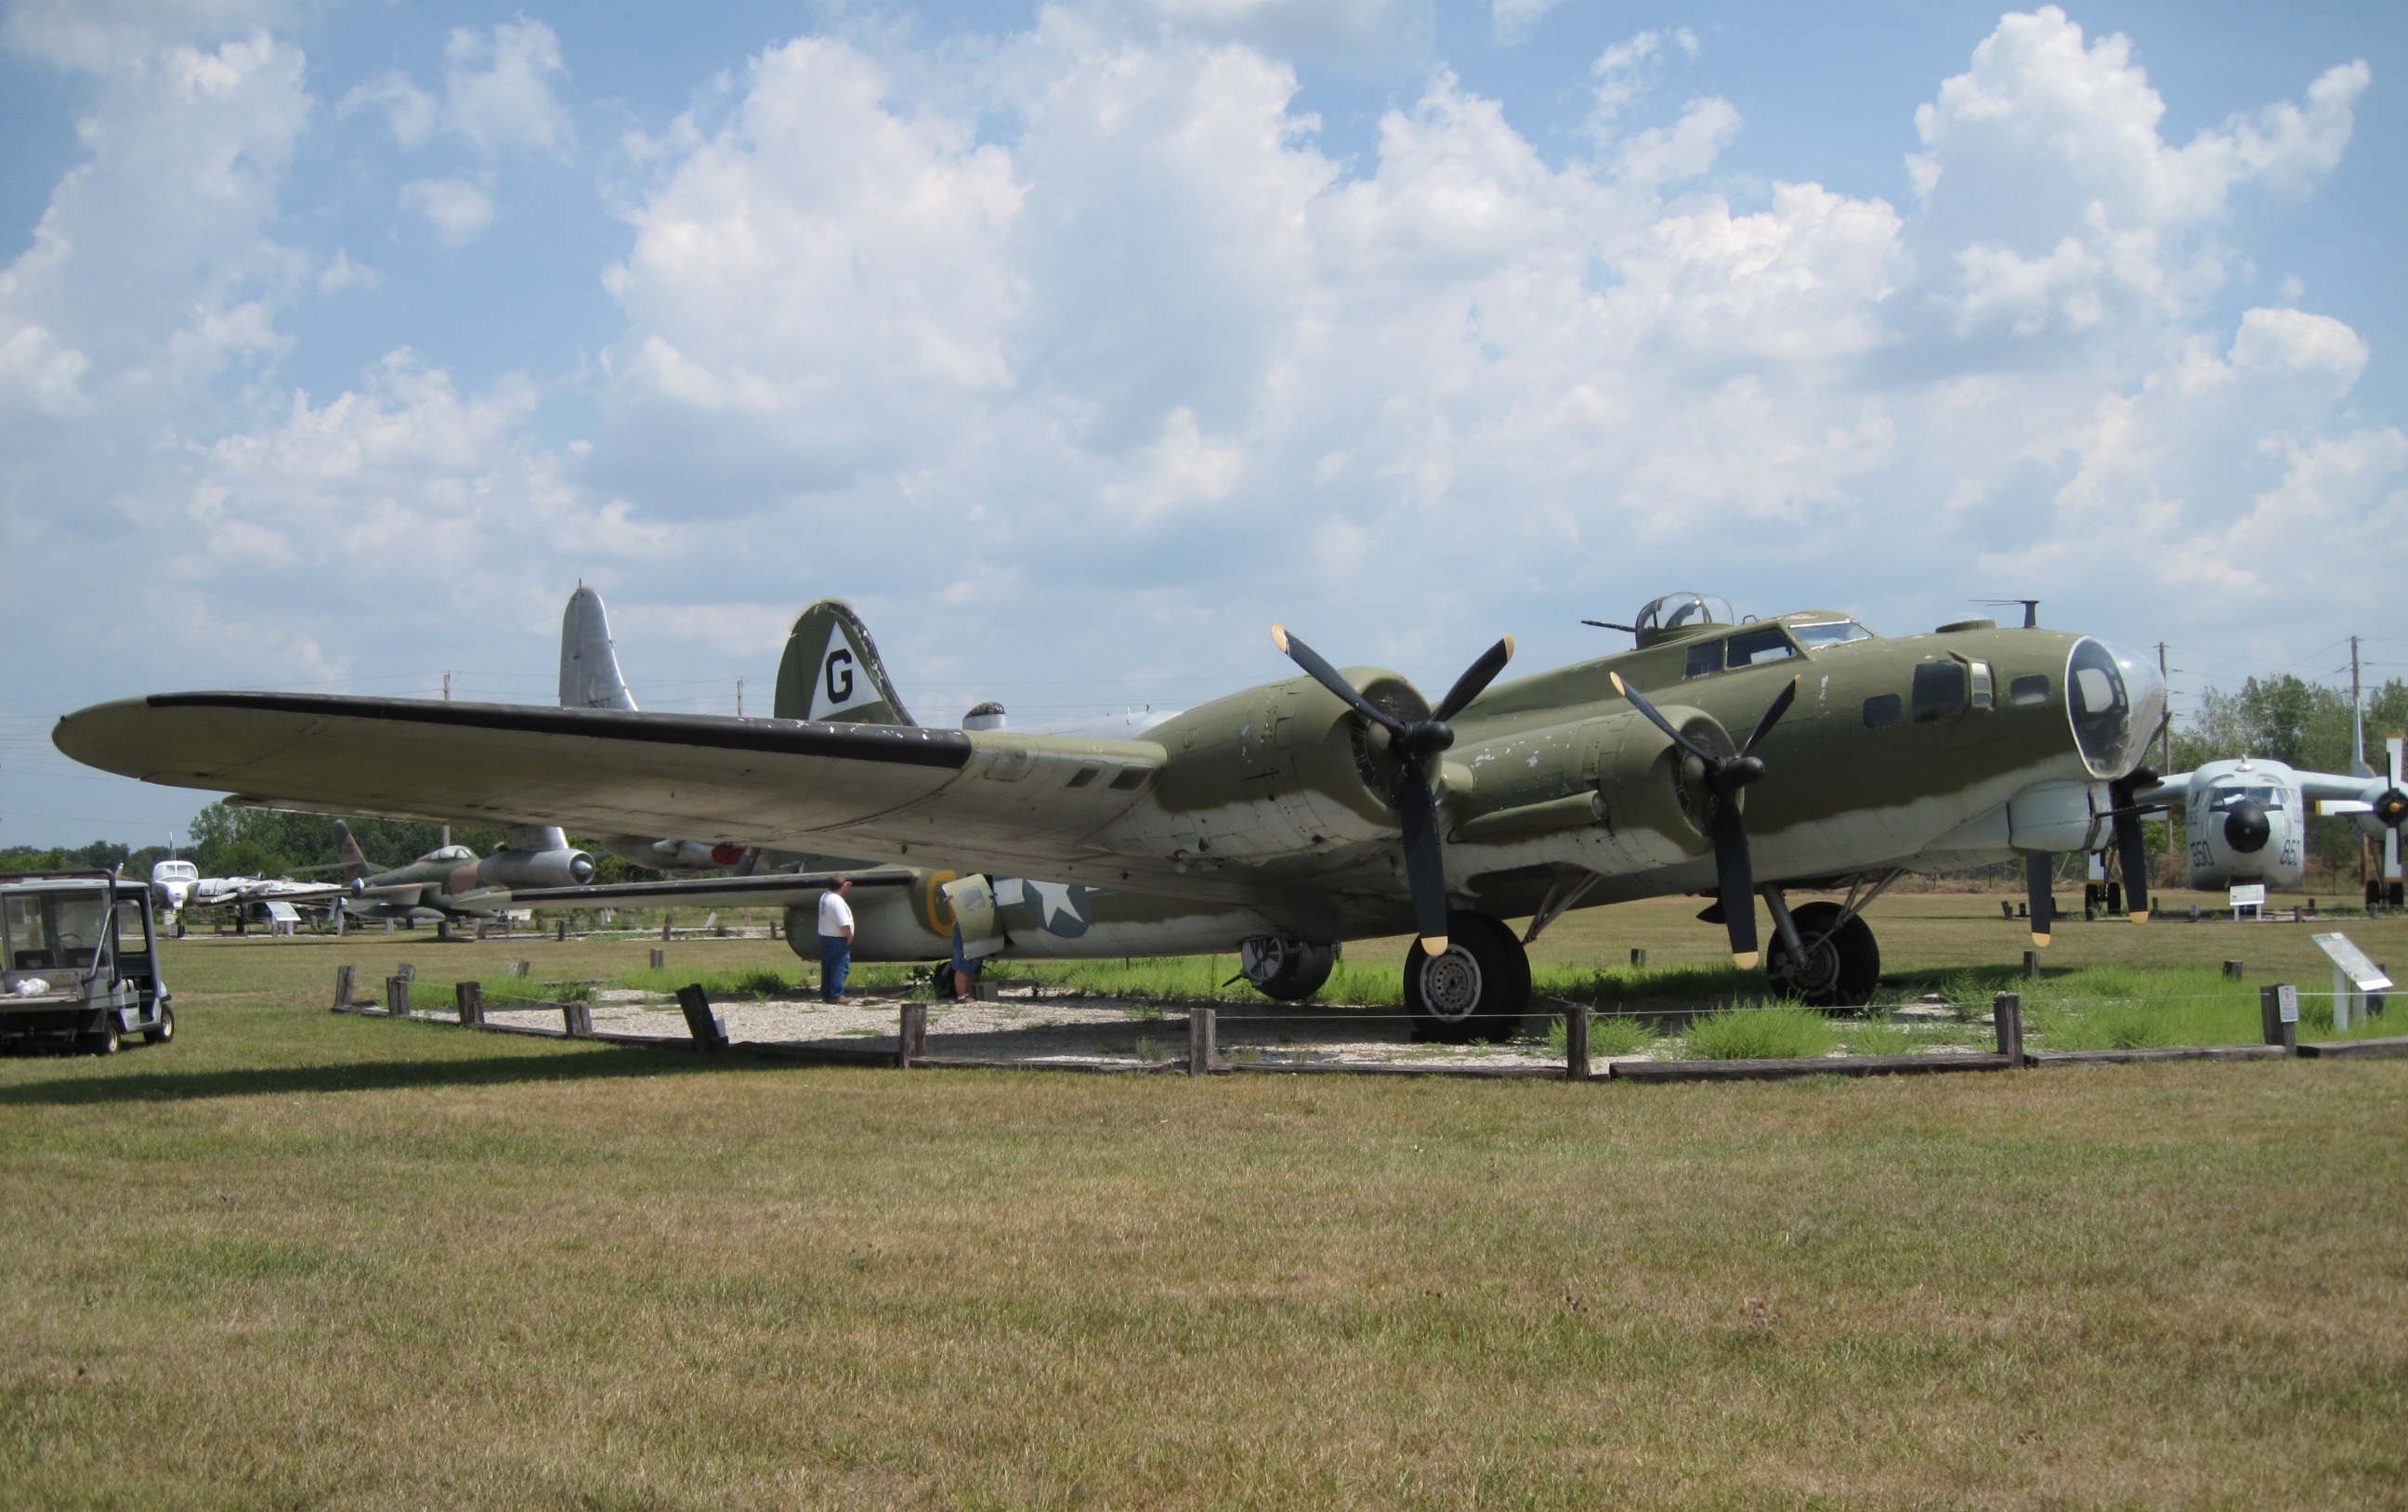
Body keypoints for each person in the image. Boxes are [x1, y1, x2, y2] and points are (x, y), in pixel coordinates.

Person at [817, 876, 856, 1002]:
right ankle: (836, 995)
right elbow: (843, 922)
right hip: (837, 939)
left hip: (825, 937)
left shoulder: (825, 897)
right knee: (839, 966)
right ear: (843, 886)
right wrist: (849, 935)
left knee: (828, 967)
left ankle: (826, 994)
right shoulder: (837, 900)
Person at [949, 920, 986, 1001]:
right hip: (967, 927)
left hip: (975, 927)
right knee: (964, 965)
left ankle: (972, 994)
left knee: (975, 966)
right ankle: (962, 996)